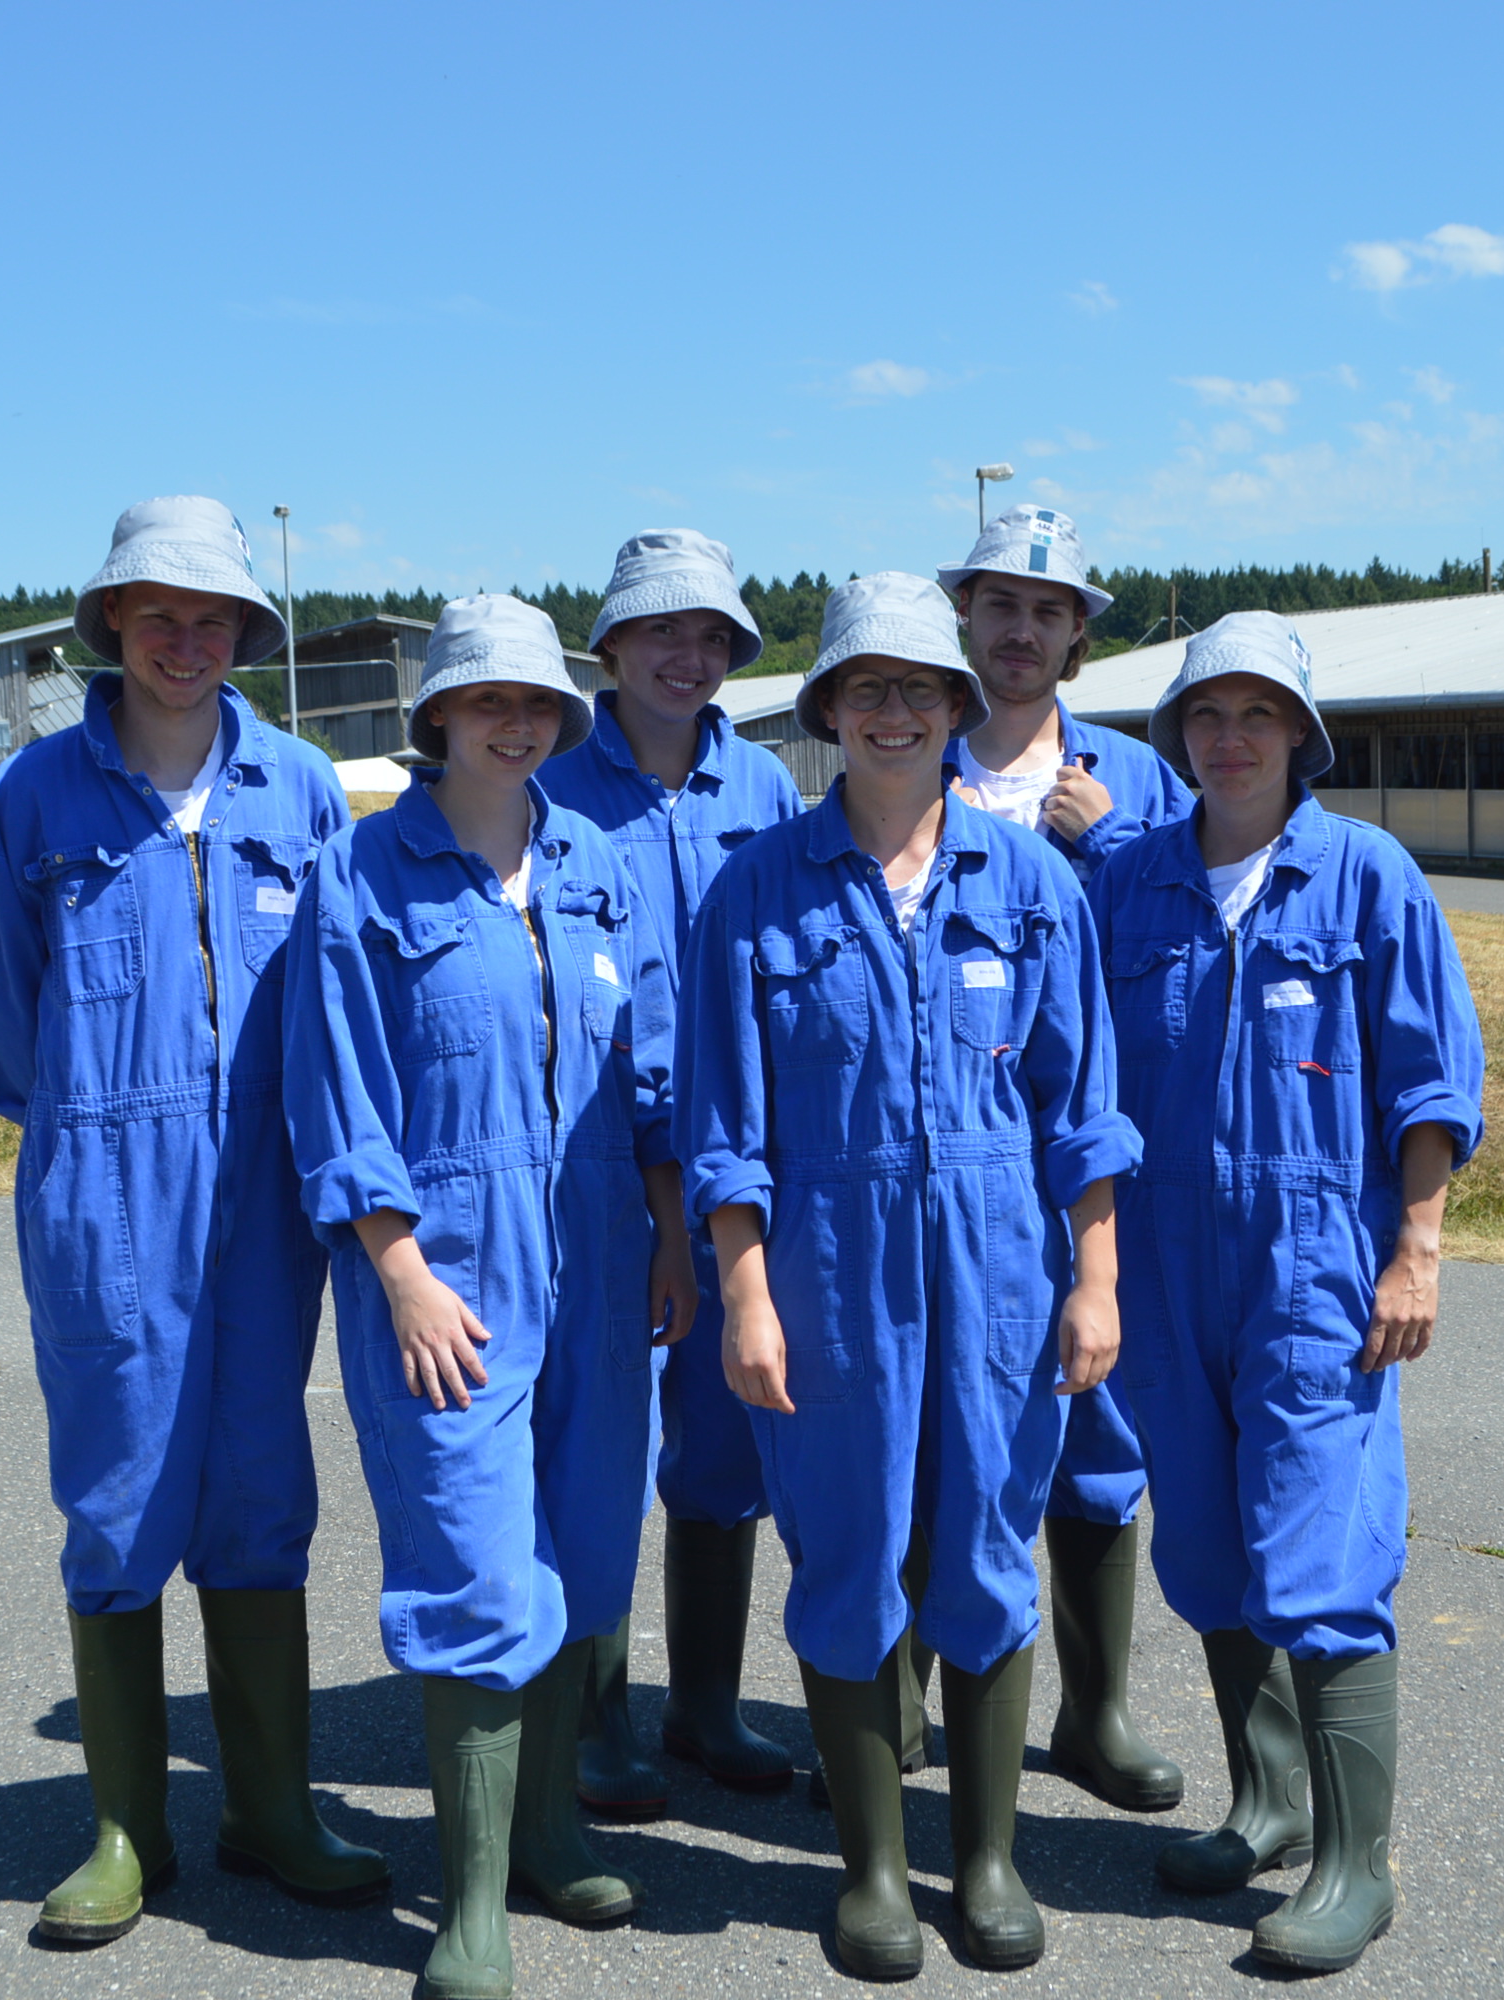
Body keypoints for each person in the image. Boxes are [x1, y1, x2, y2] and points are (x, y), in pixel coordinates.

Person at [678, 573, 1140, 1978]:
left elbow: (1086, 1111)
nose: (894, 713)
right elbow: (724, 1129)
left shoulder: (1036, 885)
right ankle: (874, 1870)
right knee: (848, 1544)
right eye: (866, 689)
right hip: (826, 1269)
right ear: (825, 713)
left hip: (1004, 1260)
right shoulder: (756, 893)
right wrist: (746, 1295)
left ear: (957, 709)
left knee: (990, 1546)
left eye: (920, 691)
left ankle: (986, 1859)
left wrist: (1098, 1278)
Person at [0, 497, 390, 1945]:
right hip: (104, 1183)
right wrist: (95, 1125)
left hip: (267, 1185)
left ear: (248, 635)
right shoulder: (31, 802)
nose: (186, 641)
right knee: (122, 1492)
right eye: (159, 615)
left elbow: (331, 999)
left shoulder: (306, 792)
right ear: (112, 628)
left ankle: (269, 1807)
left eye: (214, 619)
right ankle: (128, 1830)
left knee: (262, 1488)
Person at [282, 594, 693, 2000]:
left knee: (582, 1543)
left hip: (596, 1260)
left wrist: (667, 1232)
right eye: (489, 704)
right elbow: (337, 1097)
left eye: (538, 708)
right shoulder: (362, 876)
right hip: (446, 1270)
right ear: (439, 719)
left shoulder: (592, 865)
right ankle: (467, 1902)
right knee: (468, 1556)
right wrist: (396, 1271)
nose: (517, 726)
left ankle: (548, 1827)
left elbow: (648, 1076)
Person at [1084, 611, 1485, 1975]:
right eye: (1208, 715)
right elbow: (1079, 1077)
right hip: (1163, 1255)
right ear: (1178, 738)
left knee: (1320, 1547)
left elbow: (1431, 1080)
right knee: (1204, 1540)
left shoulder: (1368, 878)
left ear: (1302, 737)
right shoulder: (1124, 884)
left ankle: (1358, 1865)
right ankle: (1267, 1804)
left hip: (1316, 1258)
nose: (1231, 737)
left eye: (1259, 715)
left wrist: (1416, 1244)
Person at [537, 530, 805, 1815]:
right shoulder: (551, 786)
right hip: (596, 1167)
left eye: (709, 637)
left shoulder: (765, 793)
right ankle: (595, 1717)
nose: (685, 656)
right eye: (659, 632)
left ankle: (703, 1705)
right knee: (600, 1436)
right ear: (611, 646)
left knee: (727, 1444)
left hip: (737, 1162)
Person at [937, 503, 1188, 1814]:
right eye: (999, 606)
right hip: (948, 1168)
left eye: (1048, 611)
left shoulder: (1142, 782)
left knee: (1102, 1430)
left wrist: (1116, 851)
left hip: (1098, 1164)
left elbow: (1213, 922)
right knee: (942, 1431)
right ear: (963, 620)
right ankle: (929, 1709)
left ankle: (1096, 1715)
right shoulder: (913, 760)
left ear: (1080, 635)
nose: (1021, 630)